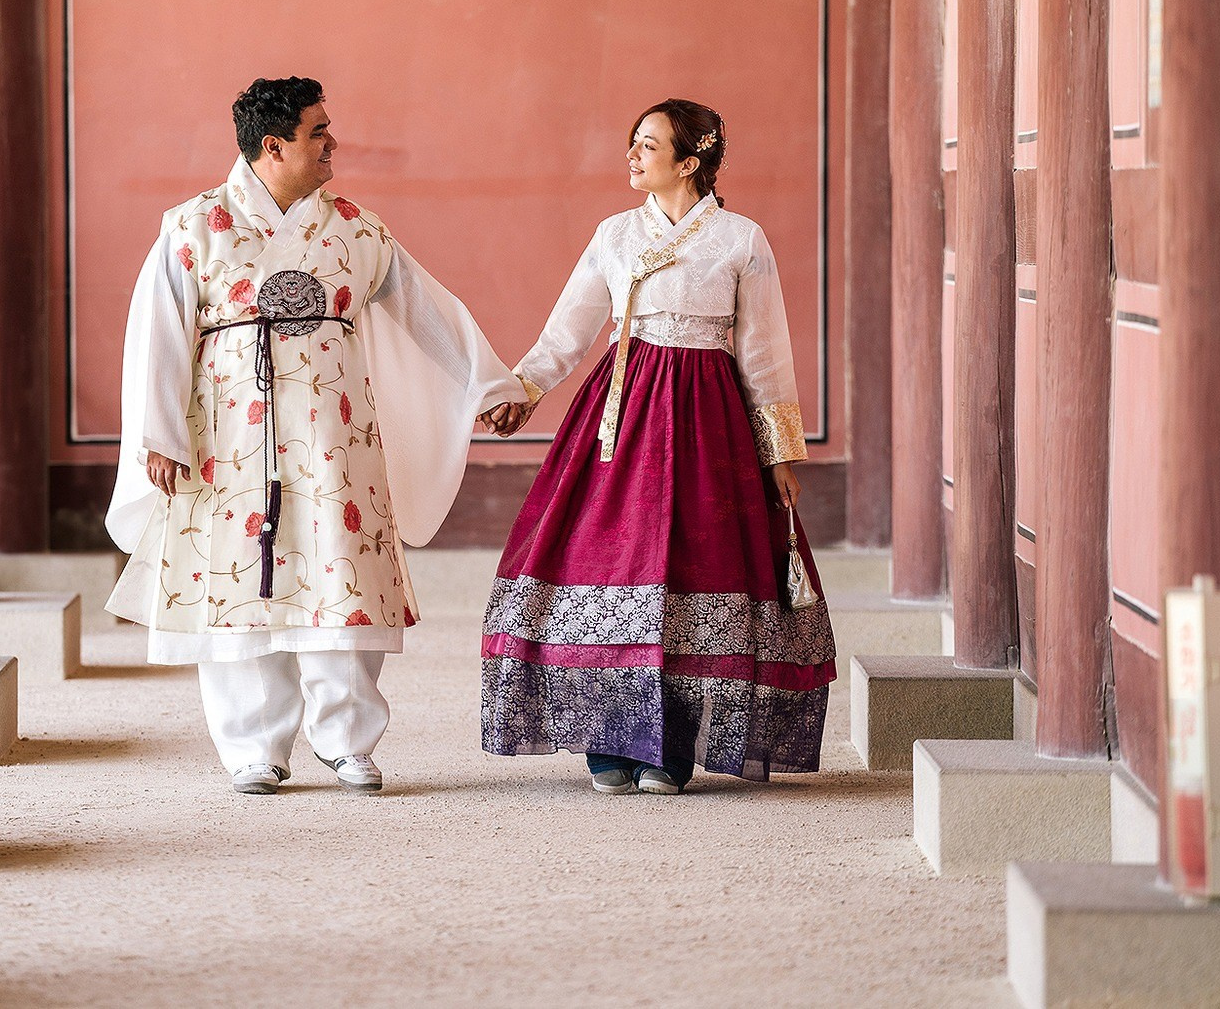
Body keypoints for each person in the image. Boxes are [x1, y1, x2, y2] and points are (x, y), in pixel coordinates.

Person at [104, 76, 524, 795]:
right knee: (239, 586)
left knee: (343, 573)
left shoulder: (357, 229)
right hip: (226, 440)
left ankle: (348, 740)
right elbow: (159, 338)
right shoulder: (194, 226)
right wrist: (160, 434)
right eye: (318, 132)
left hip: (334, 436)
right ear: (274, 145)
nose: (333, 143)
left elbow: (427, 310)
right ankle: (253, 748)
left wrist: (489, 383)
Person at [478, 100, 836, 794]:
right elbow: (570, 328)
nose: (632, 157)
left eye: (648, 146)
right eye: (632, 144)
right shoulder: (615, 234)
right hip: (621, 411)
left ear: (690, 162)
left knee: (694, 564)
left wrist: (779, 452)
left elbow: (763, 350)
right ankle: (609, 738)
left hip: (709, 419)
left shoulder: (740, 239)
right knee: (604, 556)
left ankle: (669, 746)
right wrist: (525, 389)